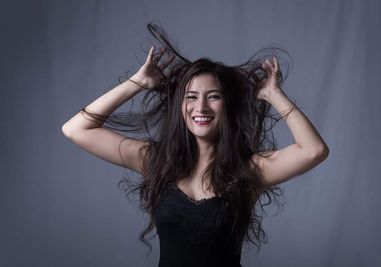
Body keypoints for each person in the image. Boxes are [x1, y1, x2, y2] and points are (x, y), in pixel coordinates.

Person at [62, 23, 329, 267]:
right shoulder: (155, 160)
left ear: (228, 106)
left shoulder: (249, 170)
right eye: (191, 97)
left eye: (213, 97)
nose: (200, 107)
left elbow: (314, 150)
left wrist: (273, 94)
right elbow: (76, 129)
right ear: (181, 105)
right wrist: (138, 82)